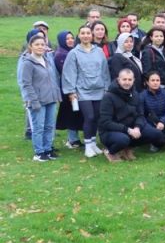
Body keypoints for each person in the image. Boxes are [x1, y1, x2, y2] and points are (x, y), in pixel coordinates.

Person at [62, 24, 111, 158]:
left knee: (96, 117)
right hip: (82, 91)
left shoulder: (99, 51)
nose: (85, 35)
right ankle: (88, 145)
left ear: (92, 35)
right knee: (89, 117)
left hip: (99, 90)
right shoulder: (74, 53)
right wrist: (71, 92)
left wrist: (107, 88)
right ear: (79, 35)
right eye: (82, 33)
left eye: (88, 33)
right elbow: (69, 73)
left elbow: (105, 71)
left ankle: (94, 143)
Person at [97, 68, 163, 162]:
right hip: (110, 131)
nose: (127, 82)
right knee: (123, 139)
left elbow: (140, 115)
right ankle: (110, 151)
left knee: (156, 134)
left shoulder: (135, 95)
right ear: (118, 80)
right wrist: (127, 130)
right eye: (124, 79)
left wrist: (137, 127)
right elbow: (105, 122)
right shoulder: (108, 96)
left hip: (131, 128)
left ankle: (127, 148)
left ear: (133, 80)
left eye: (129, 79)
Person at [19, 32, 61, 161]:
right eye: (37, 44)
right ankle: (39, 152)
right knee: (38, 127)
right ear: (31, 46)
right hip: (37, 101)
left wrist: (56, 96)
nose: (40, 47)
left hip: (51, 99)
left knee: (49, 126)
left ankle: (48, 149)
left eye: (42, 44)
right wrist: (33, 101)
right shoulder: (27, 62)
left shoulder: (47, 60)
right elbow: (26, 84)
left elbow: (53, 78)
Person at [54, 30, 84, 149]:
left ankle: (74, 139)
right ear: (62, 41)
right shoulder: (61, 54)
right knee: (71, 114)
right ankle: (72, 139)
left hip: (74, 88)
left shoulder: (70, 51)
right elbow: (68, 73)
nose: (70, 40)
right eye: (67, 39)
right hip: (69, 90)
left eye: (71, 38)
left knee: (75, 114)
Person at [139, 71, 165, 153]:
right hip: (151, 122)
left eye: (157, 80)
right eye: (153, 80)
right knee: (159, 138)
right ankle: (157, 144)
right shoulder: (142, 95)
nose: (155, 83)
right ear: (147, 82)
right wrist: (154, 123)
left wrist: (162, 121)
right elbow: (141, 113)